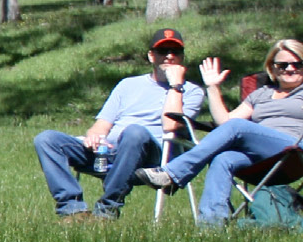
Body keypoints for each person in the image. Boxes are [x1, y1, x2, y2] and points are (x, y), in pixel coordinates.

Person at [132, 39, 303, 224]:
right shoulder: (261, 94)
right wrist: (212, 87)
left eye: (297, 64)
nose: (290, 69)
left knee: (238, 127)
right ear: (272, 68)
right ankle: (211, 225)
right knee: (224, 158)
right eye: (282, 65)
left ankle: (173, 173)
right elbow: (225, 122)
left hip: (298, 150)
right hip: (262, 156)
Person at [31, 28, 206, 221]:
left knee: (134, 132)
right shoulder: (127, 85)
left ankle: (106, 210)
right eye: (163, 51)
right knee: (46, 139)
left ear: (182, 57)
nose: (169, 56)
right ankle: (73, 210)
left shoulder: (191, 91)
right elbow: (101, 125)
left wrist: (175, 86)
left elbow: (171, 126)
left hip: (152, 158)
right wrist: (94, 137)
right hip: (108, 153)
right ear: (151, 56)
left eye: (175, 51)